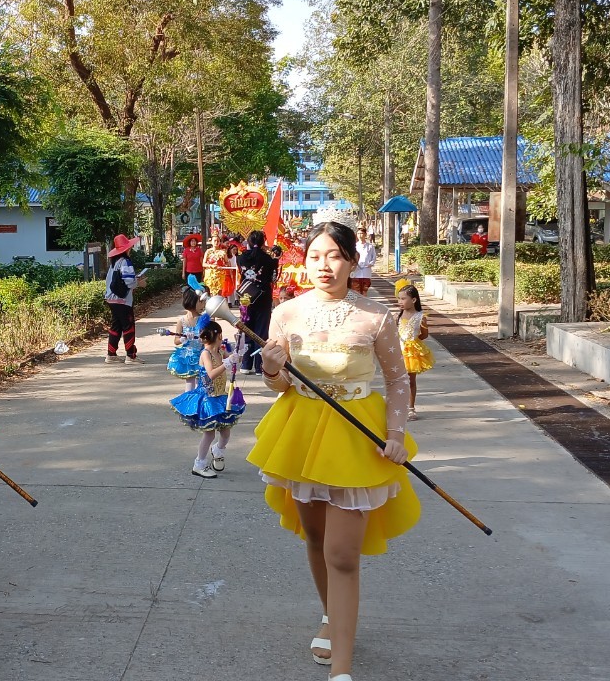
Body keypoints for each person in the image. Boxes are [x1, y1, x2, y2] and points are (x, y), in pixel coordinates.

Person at [246, 221, 421, 681]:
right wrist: (271, 370)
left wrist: (396, 433)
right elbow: (282, 385)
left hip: (355, 436)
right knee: (316, 537)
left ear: (352, 260)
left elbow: (397, 380)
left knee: (342, 553)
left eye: (335, 255)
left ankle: (341, 669)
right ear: (304, 262)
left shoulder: (376, 316)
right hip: (301, 433)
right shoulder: (286, 313)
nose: (324, 265)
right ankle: (330, 615)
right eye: (315, 256)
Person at [169, 319, 245, 478]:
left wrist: (239, 350)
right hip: (207, 399)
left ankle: (218, 450)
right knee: (209, 434)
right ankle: (199, 464)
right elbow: (210, 374)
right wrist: (227, 363)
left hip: (220, 397)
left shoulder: (220, 351)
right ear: (218, 335)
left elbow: (235, 361)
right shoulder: (206, 354)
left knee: (225, 432)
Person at [236, 230, 278, 375]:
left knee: (247, 327)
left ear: (248, 241)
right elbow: (273, 278)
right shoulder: (268, 259)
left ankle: (246, 364)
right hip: (263, 296)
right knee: (261, 329)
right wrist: (276, 259)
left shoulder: (241, 258)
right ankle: (260, 365)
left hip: (246, 296)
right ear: (263, 242)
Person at [105, 233, 145, 364]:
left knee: (116, 326)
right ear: (126, 249)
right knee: (128, 326)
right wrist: (139, 283)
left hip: (111, 299)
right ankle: (131, 355)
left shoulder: (114, 263)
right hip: (122, 301)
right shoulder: (125, 262)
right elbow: (129, 282)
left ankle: (111, 354)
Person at [396, 284, 434, 420]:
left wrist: (414, 341)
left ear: (413, 300)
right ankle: (398, 406)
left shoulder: (420, 317)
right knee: (398, 381)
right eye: (399, 298)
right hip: (398, 351)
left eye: (403, 299)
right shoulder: (397, 316)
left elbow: (424, 334)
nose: (400, 301)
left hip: (411, 353)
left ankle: (411, 408)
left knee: (410, 380)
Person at [166, 285, 205, 390]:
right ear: (192, 301)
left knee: (201, 382)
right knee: (189, 382)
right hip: (188, 355)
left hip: (202, 355)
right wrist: (183, 339)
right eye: (201, 301)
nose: (204, 304)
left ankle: (198, 399)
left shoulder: (203, 319)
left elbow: (208, 339)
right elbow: (176, 341)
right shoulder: (181, 321)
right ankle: (188, 399)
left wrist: (201, 338)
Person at [203, 233, 235, 303]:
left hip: (220, 275)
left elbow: (227, 263)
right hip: (210, 275)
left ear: (220, 242)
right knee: (210, 293)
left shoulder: (222, 252)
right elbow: (204, 264)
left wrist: (224, 266)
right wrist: (211, 266)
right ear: (211, 242)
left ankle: (218, 306)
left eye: (218, 241)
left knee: (219, 293)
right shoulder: (208, 251)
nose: (216, 242)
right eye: (214, 240)